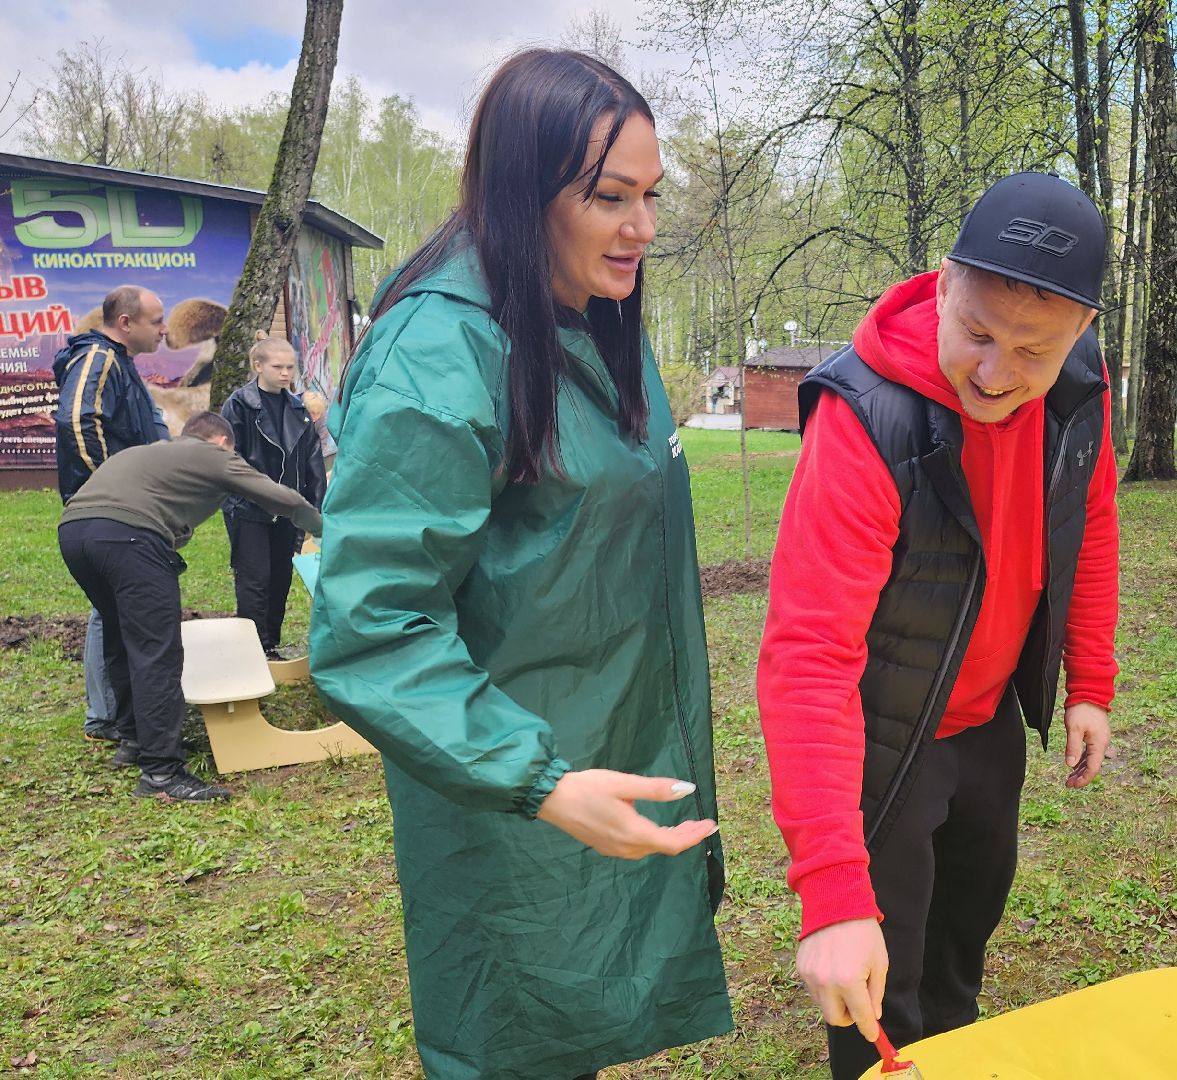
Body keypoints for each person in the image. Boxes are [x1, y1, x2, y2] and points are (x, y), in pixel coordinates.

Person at [307, 49, 730, 1080]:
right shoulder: (439, 357)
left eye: (650, 196)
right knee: (513, 1036)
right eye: (608, 197)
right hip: (512, 777)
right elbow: (373, 627)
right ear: (522, 190)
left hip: (600, 743)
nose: (641, 227)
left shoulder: (590, 317)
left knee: (570, 1031)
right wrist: (536, 780)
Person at [758, 171, 1119, 1080]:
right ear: (943, 283)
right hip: (885, 733)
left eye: (1032, 350)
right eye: (978, 334)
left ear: (1081, 333)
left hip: (988, 719)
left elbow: (1092, 514)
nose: (996, 374)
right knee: (884, 990)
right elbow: (808, 657)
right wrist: (833, 896)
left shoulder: (1081, 388)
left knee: (962, 950)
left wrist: (1092, 681)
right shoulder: (864, 420)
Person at [57, 411, 321, 802]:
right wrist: (322, 528)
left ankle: (134, 740)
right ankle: (162, 773)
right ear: (221, 443)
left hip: (75, 533)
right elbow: (280, 496)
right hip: (129, 537)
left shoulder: (151, 454)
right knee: (157, 650)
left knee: (118, 635)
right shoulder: (211, 454)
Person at [53, 285, 171, 743]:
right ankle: (108, 716)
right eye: (156, 319)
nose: (165, 329)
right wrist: (110, 490)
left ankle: (120, 717)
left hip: (127, 514)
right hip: (111, 518)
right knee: (115, 612)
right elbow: (77, 420)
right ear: (126, 322)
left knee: (118, 611)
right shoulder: (97, 359)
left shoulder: (120, 363)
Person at [218, 333, 326, 657]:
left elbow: (313, 461)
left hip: (289, 509)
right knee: (255, 579)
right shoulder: (238, 404)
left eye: (290, 367)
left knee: (280, 577)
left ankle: (271, 646)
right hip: (248, 506)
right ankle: (253, 648)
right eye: (277, 366)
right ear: (258, 365)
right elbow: (228, 457)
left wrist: (316, 508)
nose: (285, 373)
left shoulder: (299, 409)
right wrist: (244, 497)